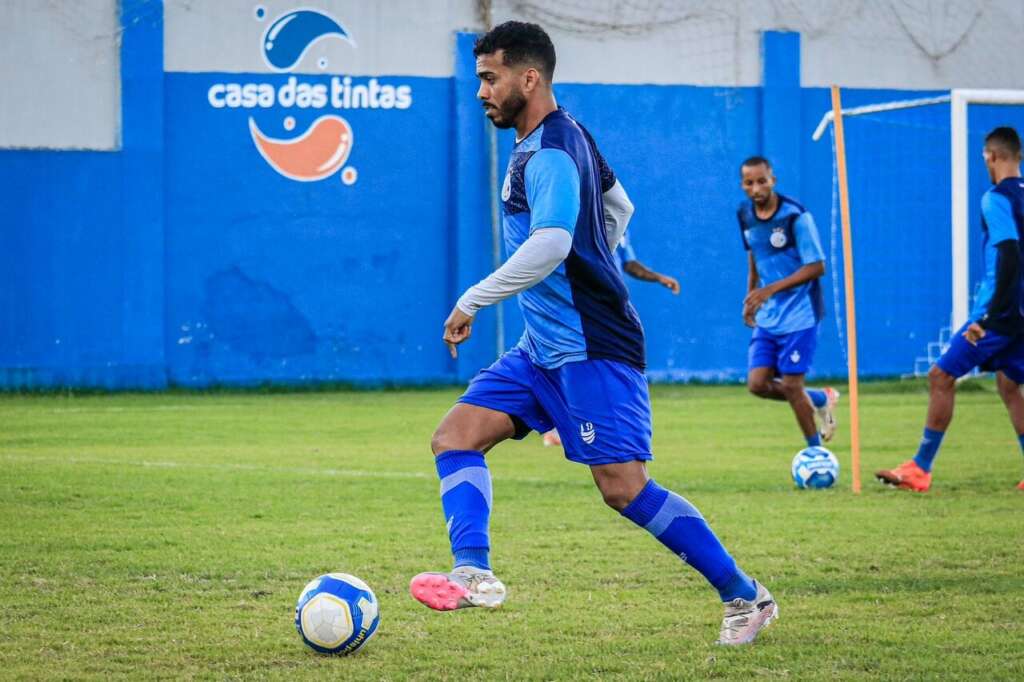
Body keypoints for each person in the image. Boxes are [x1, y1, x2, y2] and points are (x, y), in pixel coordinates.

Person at [408, 21, 777, 646]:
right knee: (455, 436)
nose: (481, 92)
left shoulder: (550, 150)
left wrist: (475, 297)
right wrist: (599, 254)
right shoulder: (567, 135)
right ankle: (474, 572)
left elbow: (551, 244)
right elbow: (619, 206)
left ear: (530, 78)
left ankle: (746, 596)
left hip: (592, 346)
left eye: (489, 78)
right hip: (542, 349)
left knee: (624, 489)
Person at [876, 126, 1024, 493]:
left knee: (941, 376)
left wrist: (988, 317)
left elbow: (1008, 253)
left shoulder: (995, 198)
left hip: (1000, 314)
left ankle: (920, 469)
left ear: (991, 156)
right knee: (1009, 385)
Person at [738, 156, 840, 449]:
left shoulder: (796, 216)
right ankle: (820, 398)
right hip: (769, 315)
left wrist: (768, 290)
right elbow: (754, 256)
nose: (756, 188)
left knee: (793, 386)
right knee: (757, 384)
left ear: (773, 180)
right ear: (742, 185)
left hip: (800, 313)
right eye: (749, 182)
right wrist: (752, 296)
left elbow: (817, 266)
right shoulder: (744, 214)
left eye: (762, 181)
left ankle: (815, 453)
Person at [543, 231, 679, 447]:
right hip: (580, 306)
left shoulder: (618, 220)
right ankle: (562, 425)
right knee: (574, 363)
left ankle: (604, 426)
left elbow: (629, 264)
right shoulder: (576, 216)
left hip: (611, 309)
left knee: (610, 367)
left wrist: (658, 278)